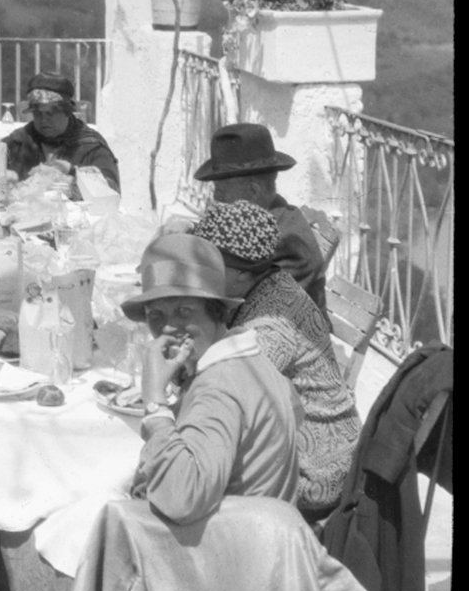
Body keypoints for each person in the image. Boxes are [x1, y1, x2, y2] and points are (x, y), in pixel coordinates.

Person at [192, 199, 360, 521]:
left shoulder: (270, 327)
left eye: (208, 266)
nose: (199, 274)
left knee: (196, 487)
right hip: (301, 446)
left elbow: (224, 392)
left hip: (316, 474)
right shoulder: (263, 285)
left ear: (241, 275)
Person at [120, 233, 300, 526]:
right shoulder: (250, 360)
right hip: (265, 533)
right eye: (155, 314)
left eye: (183, 310)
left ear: (216, 311)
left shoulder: (217, 387)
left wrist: (154, 399)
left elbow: (182, 499)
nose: (167, 327)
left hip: (231, 553)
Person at [193, 123, 330, 313]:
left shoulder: (278, 237)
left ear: (254, 191)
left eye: (222, 190)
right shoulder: (272, 216)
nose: (217, 197)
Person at [3, 72, 120, 195]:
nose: (43, 120)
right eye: (38, 114)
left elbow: (112, 190)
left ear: (67, 112)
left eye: (50, 113)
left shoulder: (91, 145)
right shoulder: (17, 142)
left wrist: (73, 173)